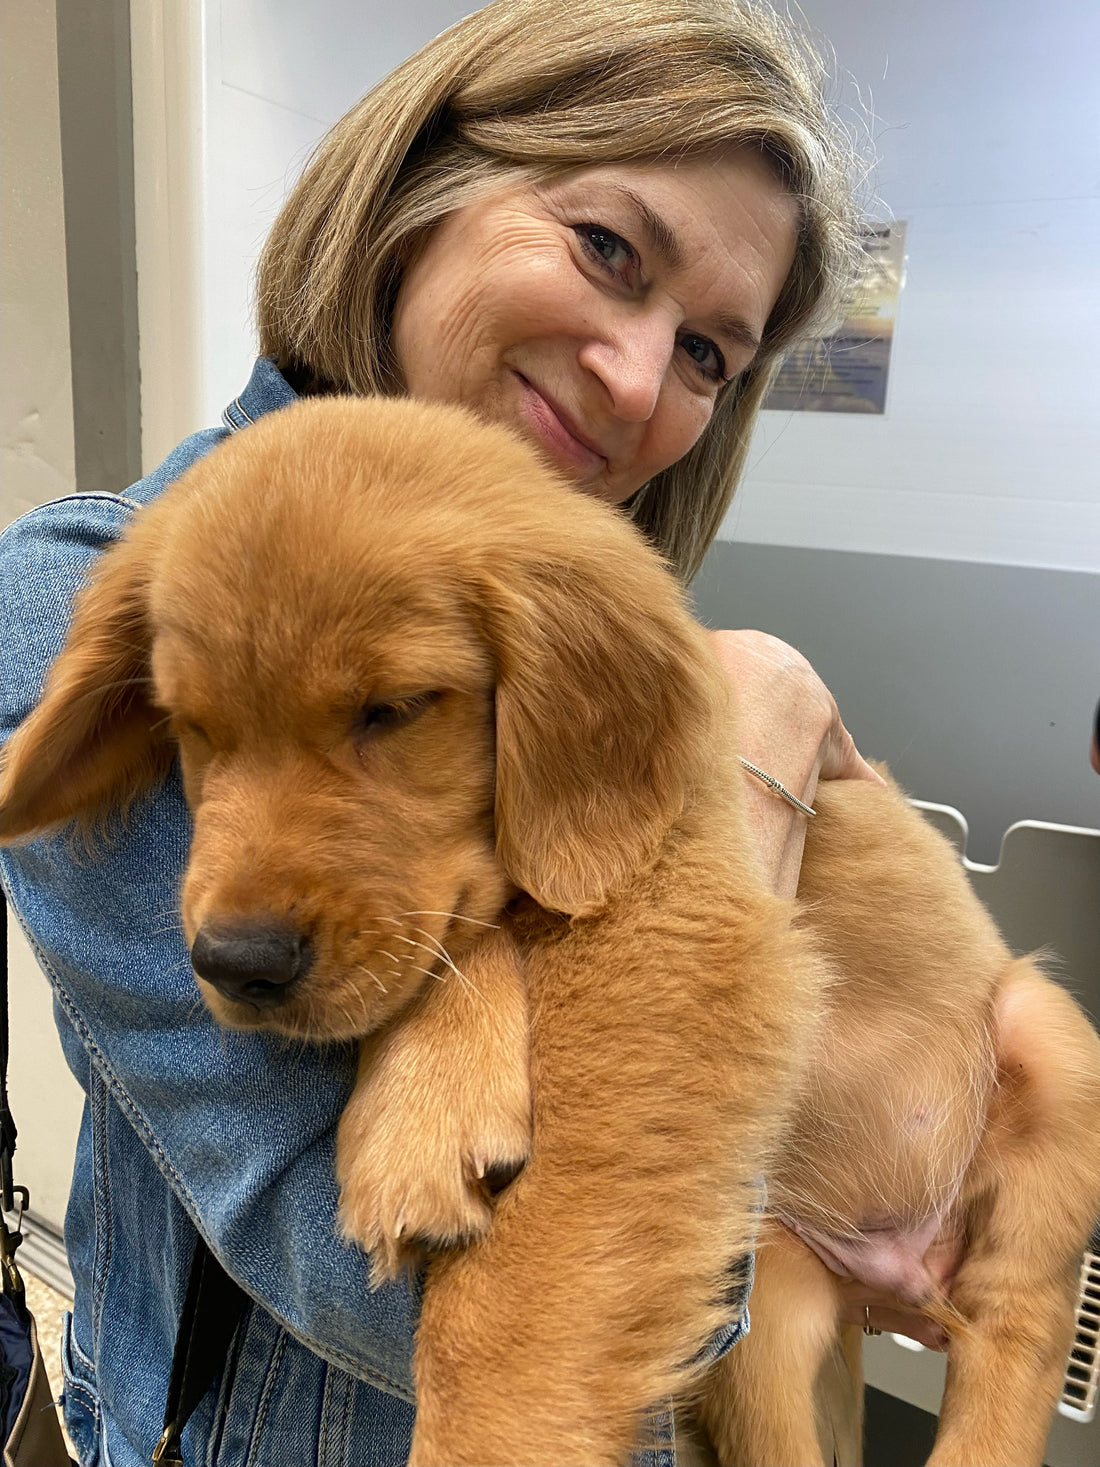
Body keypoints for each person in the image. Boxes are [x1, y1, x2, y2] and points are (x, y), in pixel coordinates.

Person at [1, 1, 899, 1461]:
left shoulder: (579, 620)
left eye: (706, 355)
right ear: (418, 191)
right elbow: (365, 1282)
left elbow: (573, 885)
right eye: (607, 248)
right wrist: (743, 781)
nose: (637, 379)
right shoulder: (84, 587)